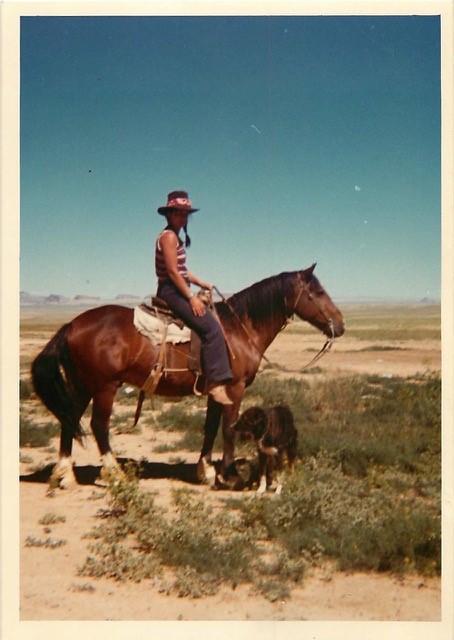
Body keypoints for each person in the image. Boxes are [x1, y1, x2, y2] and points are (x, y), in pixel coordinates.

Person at [154, 190, 233, 405]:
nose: (183, 218)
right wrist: (191, 297)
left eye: (186, 214)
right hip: (171, 291)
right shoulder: (169, 237)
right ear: (169, 215)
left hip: (176, 288)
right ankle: (216, 384)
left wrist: (200, 283)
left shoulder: (174, 237)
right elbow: (173, 272)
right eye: (179, 213)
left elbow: (182, 270)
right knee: (212, 329)